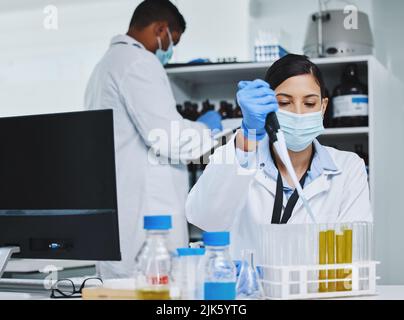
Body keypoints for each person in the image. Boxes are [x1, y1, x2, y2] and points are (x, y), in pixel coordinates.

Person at [186, 54, 372, 262]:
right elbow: (205, 218)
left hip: (317, 292)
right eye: (284, 103)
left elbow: (353, 248)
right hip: (251, 292)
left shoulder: (348, 167)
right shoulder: (240, 158)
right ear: (267, 108)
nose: (298, 113)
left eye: (309, 103)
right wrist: (247, 138)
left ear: (323, 107)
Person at [84, 0, 222, 279]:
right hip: (145, 229)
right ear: (161, 30)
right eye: (174, 41)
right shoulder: (138, 62)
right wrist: (210, 132)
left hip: (120, 223)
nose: (171, 50)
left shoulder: (104, 67)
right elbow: (168, 139)